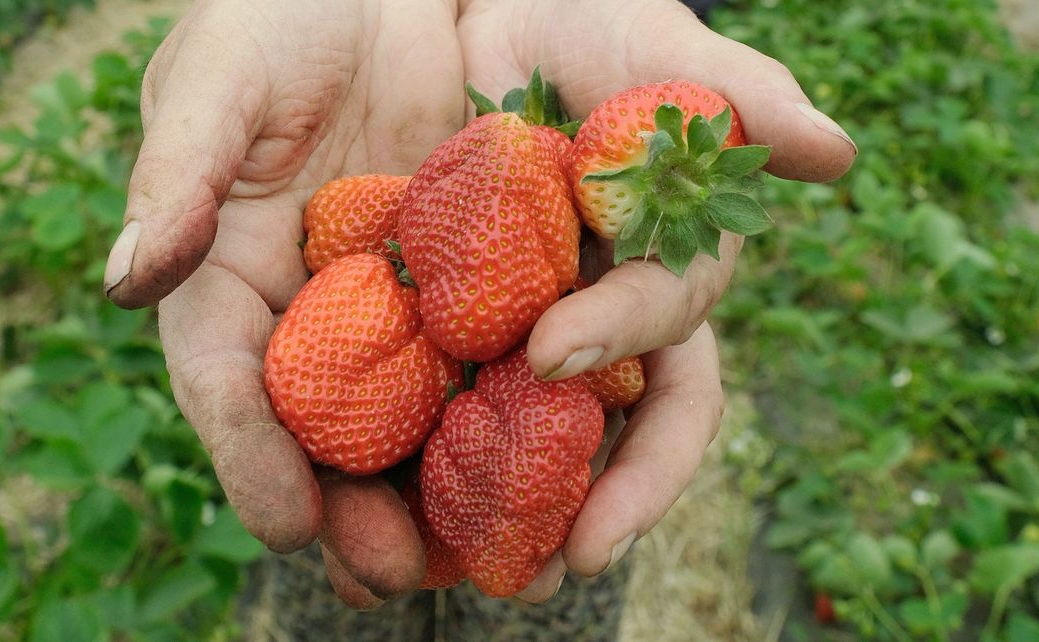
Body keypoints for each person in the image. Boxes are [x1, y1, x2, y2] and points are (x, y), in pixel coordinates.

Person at [102, 0, 856, 634]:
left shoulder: (544, 212)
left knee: (546, 580)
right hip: (383, 433)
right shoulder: (404, 267)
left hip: (527, 416)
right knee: (341, 556)